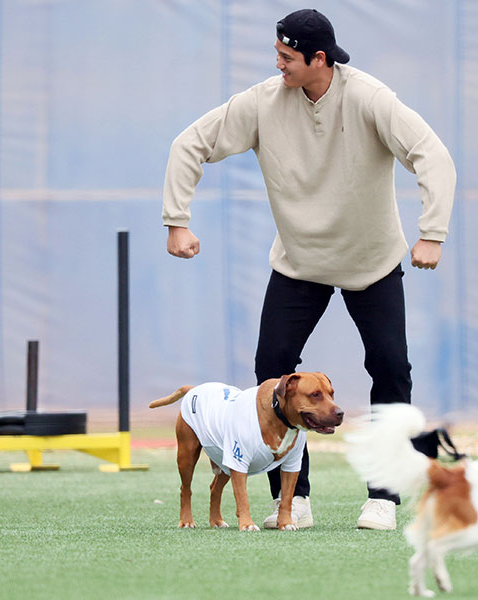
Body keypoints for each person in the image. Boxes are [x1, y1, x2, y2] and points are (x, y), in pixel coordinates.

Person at [161, 8, 455, 530]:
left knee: (390, 366)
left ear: (319, 59)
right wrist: (176, 220)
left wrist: (432, 231)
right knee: (272, 365)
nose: (278, 64)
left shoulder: (369, 98)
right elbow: (190, 144)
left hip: (372, 260)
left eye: (286, 56)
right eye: (277, 54)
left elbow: (431, 154)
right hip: (300, 262)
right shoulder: (261, 103)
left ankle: (383, 498)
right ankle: (292, 497)